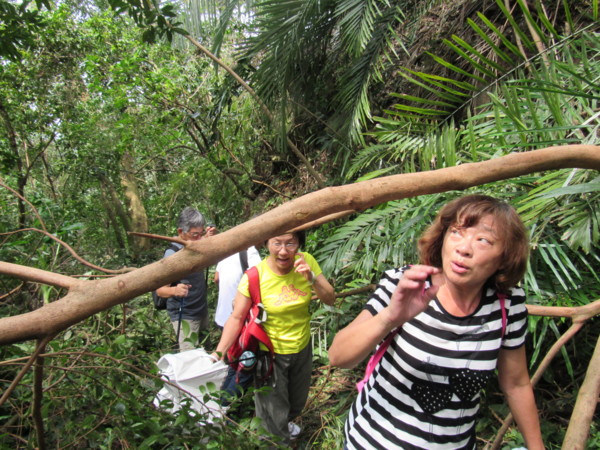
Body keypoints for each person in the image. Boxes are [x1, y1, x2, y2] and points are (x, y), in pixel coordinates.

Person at [328, 194, 544, 450]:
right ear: (442, 238)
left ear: (504, 257)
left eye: (484, 240)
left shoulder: (507, 305)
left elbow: (516, 384)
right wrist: (391, 316)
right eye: (456, 232)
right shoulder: (405, 283)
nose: (464, 248)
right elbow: (338, 356)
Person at [212, 230, 335, 443]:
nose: (283, 251)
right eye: (277, 243)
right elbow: (236, 317)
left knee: (296, 403)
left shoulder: (306, 262)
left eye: (290, 243)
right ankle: (275, 441)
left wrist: (312, 279)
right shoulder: (254, 276)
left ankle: (281, 428)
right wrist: (218, 353)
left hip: (302, 349)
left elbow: (330, 299)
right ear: (266, 243)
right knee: (272, 414)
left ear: (299, 244)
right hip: (269, 355)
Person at [156, 207, 216, 352]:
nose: (199, 238)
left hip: (201, 311)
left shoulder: (194, 243)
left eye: (201, 233)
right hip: (185, 316)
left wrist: (206, 237)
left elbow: (200, 242)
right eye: (195, 234)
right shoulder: (172, 254)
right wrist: (174, 290)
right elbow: (160, 290)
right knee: (191, 358)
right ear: (180, 232)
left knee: (206, 352)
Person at [214, 245, 262, 328]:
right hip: (240, 318)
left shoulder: (225, 251)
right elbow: (259, 278)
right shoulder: (250, 251)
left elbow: (216, 278)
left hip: (222, 316)